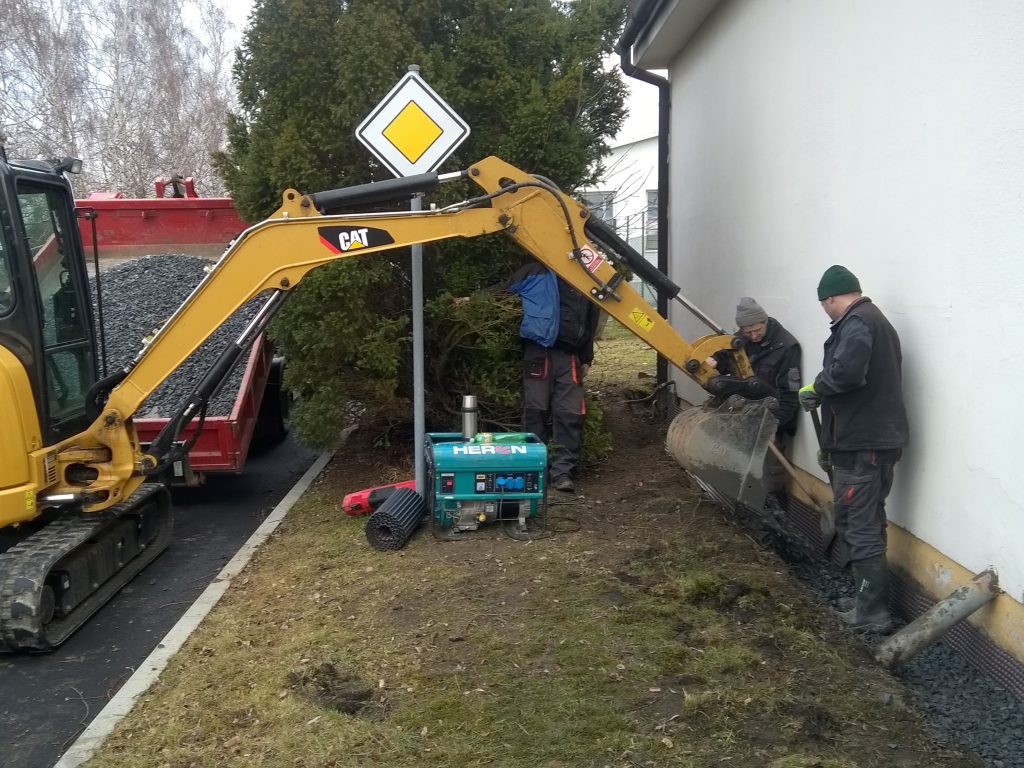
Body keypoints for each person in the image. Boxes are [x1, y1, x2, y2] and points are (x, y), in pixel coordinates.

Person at [798, 265, 909, 633]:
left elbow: (846, 374)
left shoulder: (859, 323)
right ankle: (867, 600)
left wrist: (817, 387)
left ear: (830, 299)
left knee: (860, 525)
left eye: (823, 305)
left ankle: (873, 613)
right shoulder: (873, 321)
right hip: (867, 442)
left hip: (864, 445)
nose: (825, 311)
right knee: (866, 520)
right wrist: (832, 444)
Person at [506, 262, 599, 494]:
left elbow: (591, 320)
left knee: (570, 412)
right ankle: (533, 470)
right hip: (538, 350)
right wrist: (472, 300)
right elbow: (502, 290)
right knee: (535, 410)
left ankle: (562, 472)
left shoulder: (586, 277)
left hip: (570, 356)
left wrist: (587, 357)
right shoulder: (536, 271)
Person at [706, 297, 801, 438]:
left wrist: (775, 425)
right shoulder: (741, 340)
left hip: (770, 417)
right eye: (748, 332)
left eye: (757, 330)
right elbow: (725, 357)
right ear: (741, 329)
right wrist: (715, 360)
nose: (754, 336)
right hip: (742, 415)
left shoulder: (787, 347)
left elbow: (790, 392)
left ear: (765, 321)